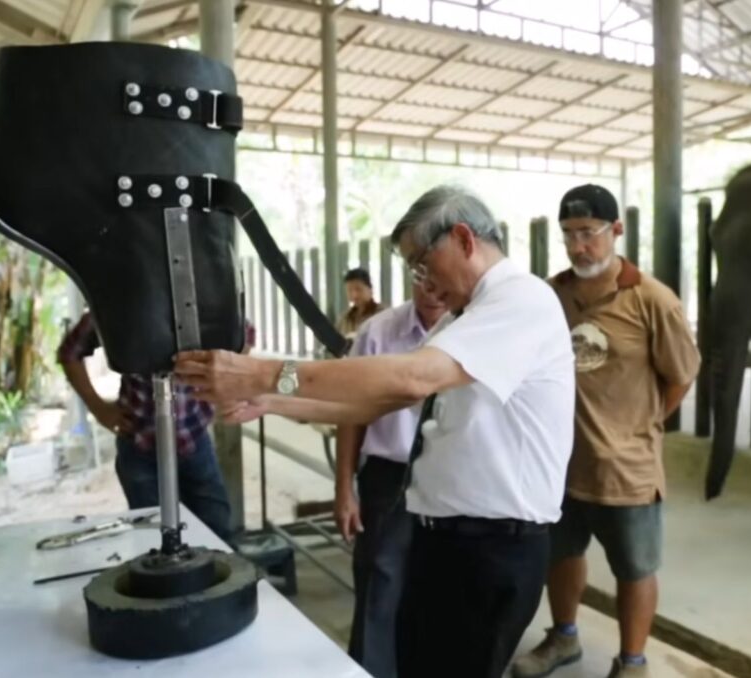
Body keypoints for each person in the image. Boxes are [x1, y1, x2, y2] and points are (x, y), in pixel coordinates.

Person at [174, 185, 575, 678]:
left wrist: (262, 373)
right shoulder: (465, 316)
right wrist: (271, 401)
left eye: (422, 263)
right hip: (442, 540)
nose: (422, 282)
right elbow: (393, 397)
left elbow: (411, 377)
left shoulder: (521, 301)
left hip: (491, 549)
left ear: (464, 239)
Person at [513, 184, 700, 678]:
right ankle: (564, 637)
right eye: (569, 235)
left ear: (616, 230)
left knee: (634, 569)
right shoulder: (551, 295)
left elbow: (681, 375)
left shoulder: (652, 300)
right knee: (562, 553)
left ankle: (632, 662)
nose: (579, 246)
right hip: (559, 462)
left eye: (589, 234)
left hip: (627, 468)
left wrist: (643, 423)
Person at [58, 312, 253, 541]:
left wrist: (227, 386)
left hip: (194, 439)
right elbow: (69, 352)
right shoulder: (118, 304)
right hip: (140, 444)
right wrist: (99, 409)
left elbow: (245, 335)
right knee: (153, 538)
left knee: (216, 530)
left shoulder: (202, 300)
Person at [335, 283, 447, 678]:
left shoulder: (475, 330)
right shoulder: (378, 332)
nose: (432, 288)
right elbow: (351, 412)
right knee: (380, 580)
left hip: (454, 475)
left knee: (442, 585)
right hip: (388, 476)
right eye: (423, 274)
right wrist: (345, 489)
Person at [337, 268, 385, 338]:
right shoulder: (344, 319)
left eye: (358, 289)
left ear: (370, 289)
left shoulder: (383, 314)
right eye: (350, 290)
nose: (354, 295)